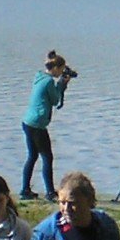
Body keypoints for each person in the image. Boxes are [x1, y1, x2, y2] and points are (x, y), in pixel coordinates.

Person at [20, 50, 76, 201]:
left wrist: (60, 84)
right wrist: (63, 85)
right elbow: (55, 100)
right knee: (47, 157)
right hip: (38, 124)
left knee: (32, 156)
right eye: (62, 69)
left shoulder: (39, 77)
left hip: (27, 122)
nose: (62, 72)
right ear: (56, 68)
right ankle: (50, 192)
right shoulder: (49, 81)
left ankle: (25, 190)